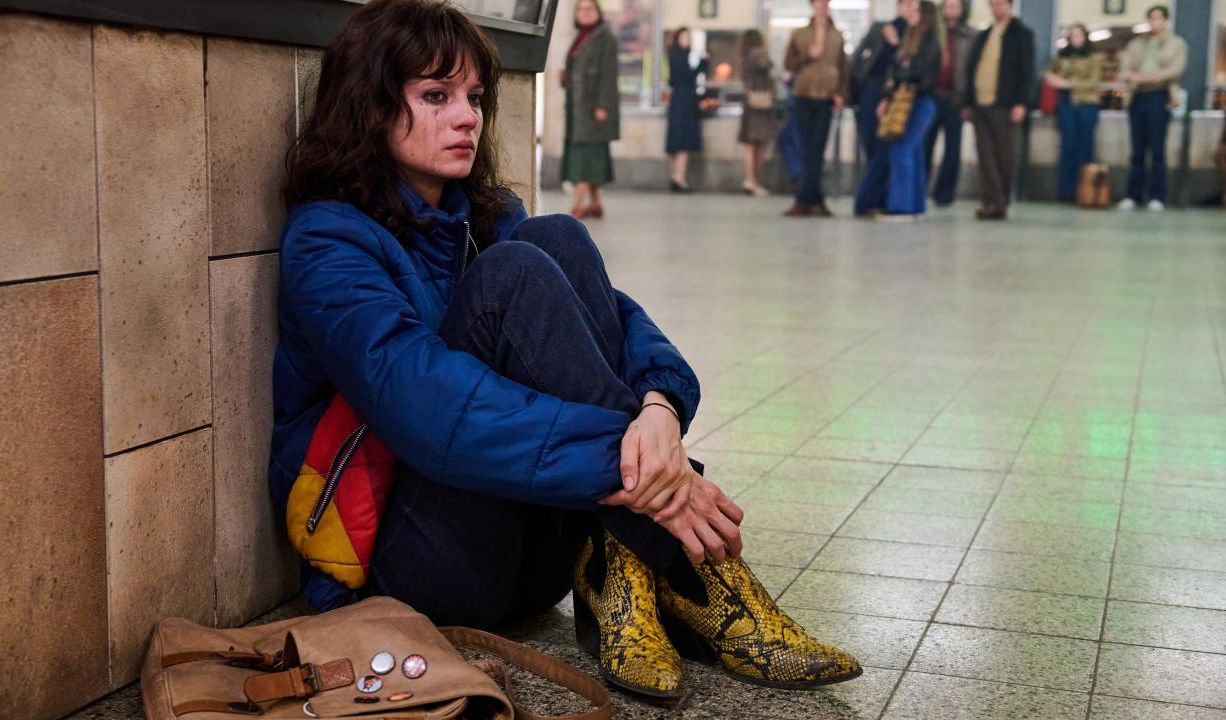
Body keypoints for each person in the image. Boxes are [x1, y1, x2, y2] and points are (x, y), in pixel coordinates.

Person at [273, 0, 862, 701]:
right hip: (410, 575)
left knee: (557, 238)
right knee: (514, 273)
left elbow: (616, 318)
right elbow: (423, 405)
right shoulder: (328, 242)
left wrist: (659, 408)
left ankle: (622, 572)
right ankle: (699, 577)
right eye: (436, 96)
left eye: (474, 98)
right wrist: (637, 467)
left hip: (530, 560)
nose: (468, 117)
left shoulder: (485, 217)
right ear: (369, 108)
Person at [856, 0, 942, 219]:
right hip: (903, 100)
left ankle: (901, 206)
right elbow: (895, 68)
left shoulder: (930, 42)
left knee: (901, 150)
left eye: (915, 10)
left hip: (920, 102)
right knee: (914, 153)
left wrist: (900, 76)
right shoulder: (909, 41)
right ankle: (916, 206)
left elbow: (918, 73)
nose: (910, 13)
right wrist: (889, 91)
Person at [961, 0, 1035, 220]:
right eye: (992, 4)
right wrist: (967, 101)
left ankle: (1000, 201)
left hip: (1005, 104)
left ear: (1010, 6)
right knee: (985, 156)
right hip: (980, 104)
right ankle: (990, 201)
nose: (996, 8)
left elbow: (1027, 70)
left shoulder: (1021, 34)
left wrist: (1022, 103)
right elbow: (971, 68)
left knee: (1004, 155)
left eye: (1000, 4)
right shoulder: (984, 35)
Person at [850, 0, 919, 215]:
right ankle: (873, 199)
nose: (908, 9)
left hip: (898, 94)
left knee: (887, 146)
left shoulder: (915, 35)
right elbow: (859, 58)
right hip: (872, 90)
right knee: (871, 143)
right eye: (904, 4)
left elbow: (910, 65)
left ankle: (870, 199)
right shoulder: (880, 28)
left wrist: (897, 43)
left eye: (912, 5)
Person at [1116, 5, 1186, 212]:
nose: (1154, 22)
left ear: (1166, 21)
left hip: (1160, 96)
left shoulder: (1176, 44)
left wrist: (1152, 77)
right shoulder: (1136, 43)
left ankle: (1157, 196)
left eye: (1158, 18)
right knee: (1137, 150)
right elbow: (1124, 70)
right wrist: (1136, 77)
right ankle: (1133, 194)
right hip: (1137, 97)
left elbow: (1174, 70)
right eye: (1151, 18)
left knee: (1157, 150)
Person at [782, 0, 848, 217]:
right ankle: (810, 198)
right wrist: (807, 56)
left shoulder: (837, 35)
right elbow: (788, 63)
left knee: (817, 150)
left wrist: (841, 94)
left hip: (826, 96)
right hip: (804, 94)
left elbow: (844, 68)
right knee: (806, 147)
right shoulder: (800, 34)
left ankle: (808, 197)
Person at [562, 0, 620, 219]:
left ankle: (576, 208)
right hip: (578, 108)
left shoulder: (605, 37)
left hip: (593, 108)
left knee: (585, 158)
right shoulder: (582, 36)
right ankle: (596, 204)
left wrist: (603, 105)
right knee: (589, 155)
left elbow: (608, 75)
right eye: (580, 9)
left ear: (598, 12)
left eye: (589, 9)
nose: (584, 13)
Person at [1043, 23, 1103, 202]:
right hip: (1066, 105)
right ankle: (1066, 192)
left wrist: (1068, 84)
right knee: (1068, 147)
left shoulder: (1094, 57)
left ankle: (1086, 191)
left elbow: (1094, 82)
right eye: (1073, 35)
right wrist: (1052, 78)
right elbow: (1048, 74)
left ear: (1085, 37)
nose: (1076, 39)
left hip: (1087, 104)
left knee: (1085, 147)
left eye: (1079, 35)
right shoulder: (1061, 57)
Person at [924, 0, 975, 206]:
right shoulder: (933, 33)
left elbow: (971, 71)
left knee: (953, 149)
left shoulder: (971, 36)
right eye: (948, 6)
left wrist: (968, 102)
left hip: (956, 99)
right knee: (925, 145)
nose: (952, 10)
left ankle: (944, 194)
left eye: (956, 6)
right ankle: (920, 188)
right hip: (933, 96)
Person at [666, 27, 709, 192]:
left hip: (681, 100)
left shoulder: (680, 56)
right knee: (682, 140)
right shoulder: (677, 56)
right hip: (683, 101)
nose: (686, 40)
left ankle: (676, 176)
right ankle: (678, 177)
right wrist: (703, 63)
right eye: (683, 37)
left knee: (679, 139)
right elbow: (690, 76)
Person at [738, 29, 779, 197]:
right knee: (760, 145)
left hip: (748, 104)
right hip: (761, 106)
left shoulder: (744, 57)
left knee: (749, 145)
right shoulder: (758, 54)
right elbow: (767, 65)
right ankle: (756, 181)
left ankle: (749, 179)